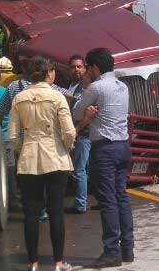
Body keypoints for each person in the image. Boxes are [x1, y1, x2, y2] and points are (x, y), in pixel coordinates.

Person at [8, 56, 78, 271]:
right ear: (49, 73)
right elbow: (68, 131)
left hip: (29, 159)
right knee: (56, 211)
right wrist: (66, 147)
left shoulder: (19, 98)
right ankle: (58, 263)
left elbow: (13, 137)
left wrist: (23, 149)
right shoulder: (57, 97)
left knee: (31, 213)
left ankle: (33, 263)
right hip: (55, 158)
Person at [73, 48, 134, 268]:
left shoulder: (96, 87)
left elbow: (77, 113)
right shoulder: (122, 86)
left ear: (94, 68)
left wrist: (88, 82)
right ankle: (127, 249)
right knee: (121, 197)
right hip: (123, 145)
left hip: (105, 148)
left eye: (88, 67)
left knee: (107, 200)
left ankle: (111, 252)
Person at [66, 54, 93, 214]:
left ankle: (80, 203)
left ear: (85, 68)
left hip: (83, 133)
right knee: (84, 169)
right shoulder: (72, 86)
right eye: (73, 67)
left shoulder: (86, 87)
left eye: (79, 66)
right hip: (78, 132)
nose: (76, 69)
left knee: (79, 170)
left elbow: (89, 114)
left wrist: (76, 130)